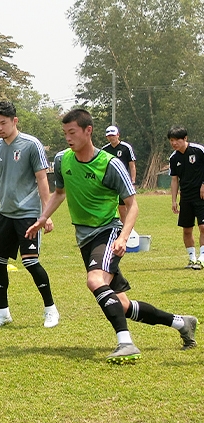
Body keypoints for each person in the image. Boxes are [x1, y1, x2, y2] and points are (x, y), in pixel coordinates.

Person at [25, 109, 197, 364]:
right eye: (65, 133)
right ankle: (181, 323)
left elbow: (133, 204)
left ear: (88, 131)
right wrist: (42, 218)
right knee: (122, 304)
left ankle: (125, 342)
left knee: (95, 280)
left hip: (108, 231)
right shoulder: (62, 160)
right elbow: (60, 192)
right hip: (84, 238)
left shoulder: (111, 164)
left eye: (72, 132)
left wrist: (123, 238)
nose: (68, 138)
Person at [0, 101, 60, 329]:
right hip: (5, 214)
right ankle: (3, 313)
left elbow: (42, 178)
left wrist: (46, 213)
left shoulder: (32, 145)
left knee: (31, 262)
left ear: (15, 121)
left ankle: (50, 309)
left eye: (3, 123)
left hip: (29, 214)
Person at [167, 126, 204, 270]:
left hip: (201, 195)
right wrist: (174, 200)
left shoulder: (198, 151)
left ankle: (202, 258)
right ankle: (192, 258)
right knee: (187, 229)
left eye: (177, 140)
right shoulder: (174, 158)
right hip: (186, 196)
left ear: (185, 139)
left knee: (202, 227)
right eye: (171, 140)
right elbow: (174, 179)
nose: (174, 143)